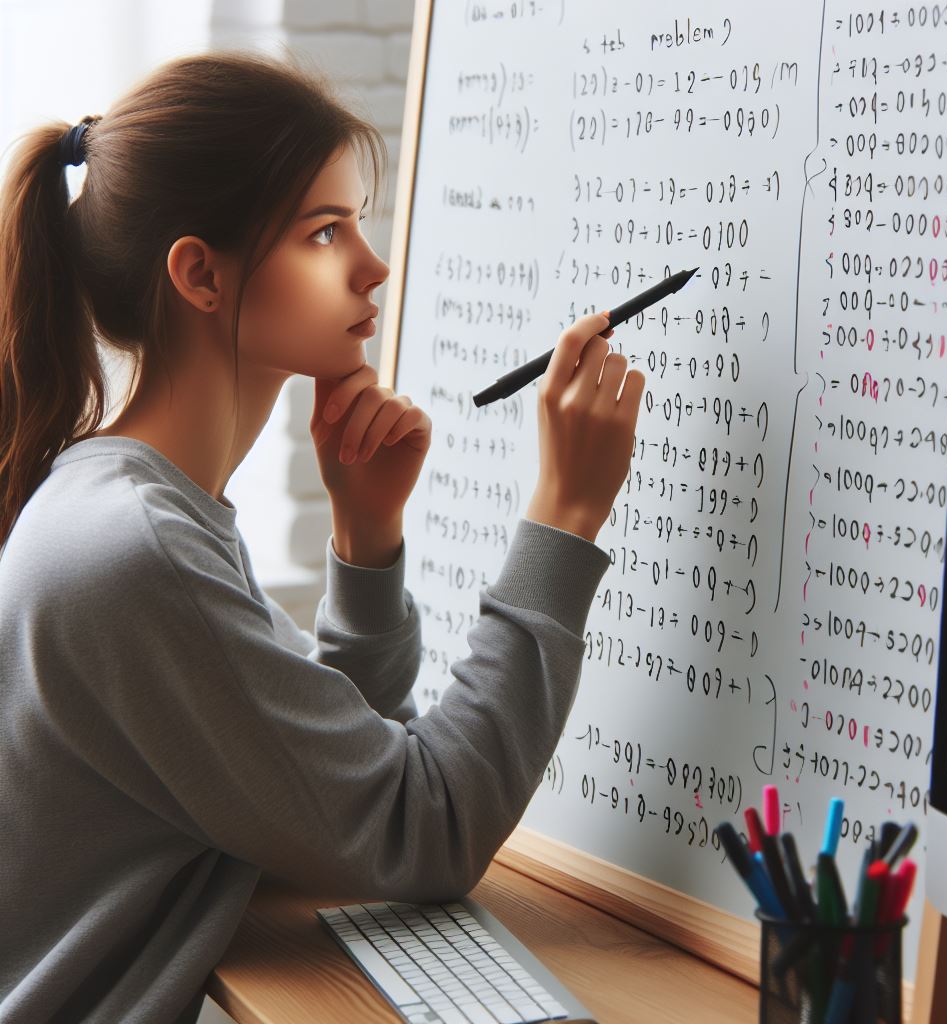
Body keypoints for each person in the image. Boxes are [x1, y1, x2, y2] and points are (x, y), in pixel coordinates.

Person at [0, 49, 645, 1024]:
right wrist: (564, 514)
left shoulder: (131, 501)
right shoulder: (138, 549)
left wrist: (366, 538)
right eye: (326, 231)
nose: (374, 265)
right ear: (201, 275)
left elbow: (320, 787)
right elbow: (425, 824)